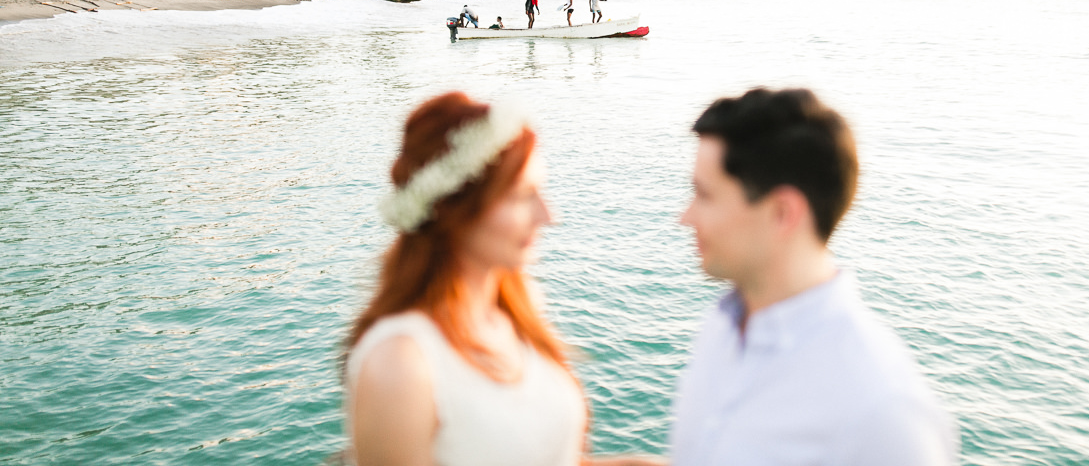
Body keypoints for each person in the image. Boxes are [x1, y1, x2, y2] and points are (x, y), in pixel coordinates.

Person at [344, 93, 659, 466]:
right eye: (523, 196)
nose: (548, 216)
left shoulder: (517, 311)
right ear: (457, 209)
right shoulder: (400, 363)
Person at [671, 88, 957, 466]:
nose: (685, 217)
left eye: (704, 195)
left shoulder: (883, 413)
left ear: (782, 213)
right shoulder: (721, 327)